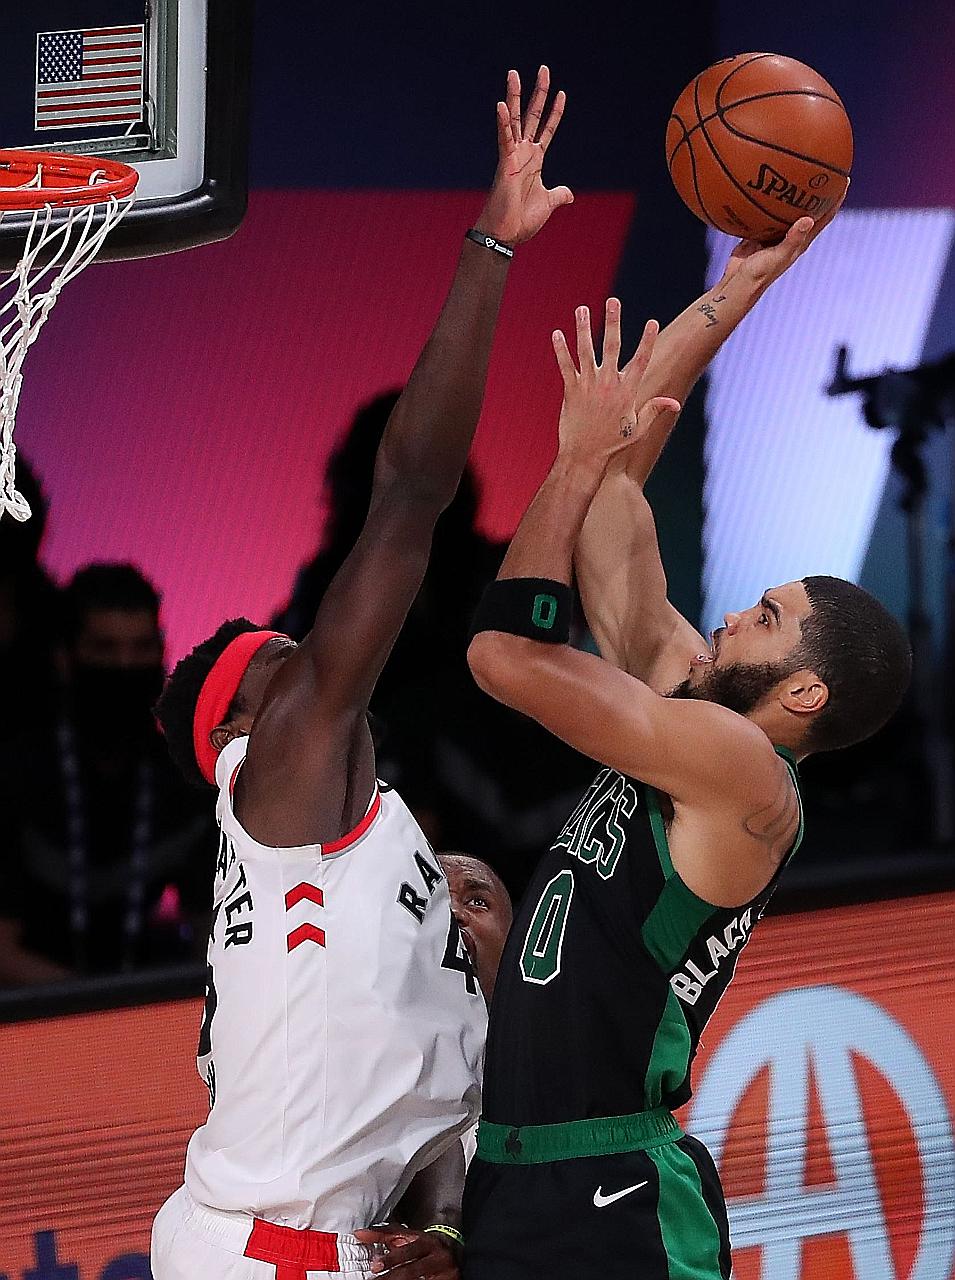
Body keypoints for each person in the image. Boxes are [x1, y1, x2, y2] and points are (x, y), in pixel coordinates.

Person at [150, 65, 572, 1280]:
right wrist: (492, 244)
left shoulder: (381, 841)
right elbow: (409, 493)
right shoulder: (281, 787)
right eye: (289, 659)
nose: (323, 653)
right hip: (263, 1258)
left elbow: (437, 1094)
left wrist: (443, 1222)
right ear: (247, 721)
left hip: (330, 1252)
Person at [461, 284, 911, 1276]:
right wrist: (751, 271)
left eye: (764, 614)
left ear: (802, 692)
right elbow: (615, 499)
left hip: (613, 1185)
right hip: (516, 1165)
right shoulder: (693, 714)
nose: (732, 617)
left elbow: (501, 656)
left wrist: (578, 455)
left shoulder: (747, 773)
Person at [0, 562, 214, 984]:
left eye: (141, 650)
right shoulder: (16, 776)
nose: (125, 667)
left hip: (135, 1017)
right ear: (65, 658)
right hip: (26, 1026)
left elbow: (215, 937)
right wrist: (97, 1013)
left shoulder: (185, 780)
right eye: (105, 650)